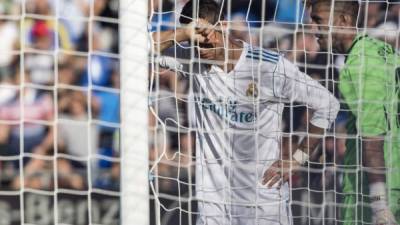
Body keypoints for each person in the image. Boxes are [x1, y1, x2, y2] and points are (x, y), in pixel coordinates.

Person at [152, 0, 339, 224]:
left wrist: (297, 159)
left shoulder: (270, 67)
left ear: (223, 26)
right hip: (214, 206)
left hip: (263, 203)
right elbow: (137, 47)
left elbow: (328, 104)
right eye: (195, 43)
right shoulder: (191, 60)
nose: (201, 50)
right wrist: (183, 33)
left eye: (206, 40)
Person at [309, 0, 400, 224]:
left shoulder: (359, 65)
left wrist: (379, 206)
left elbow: (372, 138)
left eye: (318, 20)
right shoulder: (379, 48)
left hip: (370, 189)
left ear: (344, 20)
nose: (313, 29)